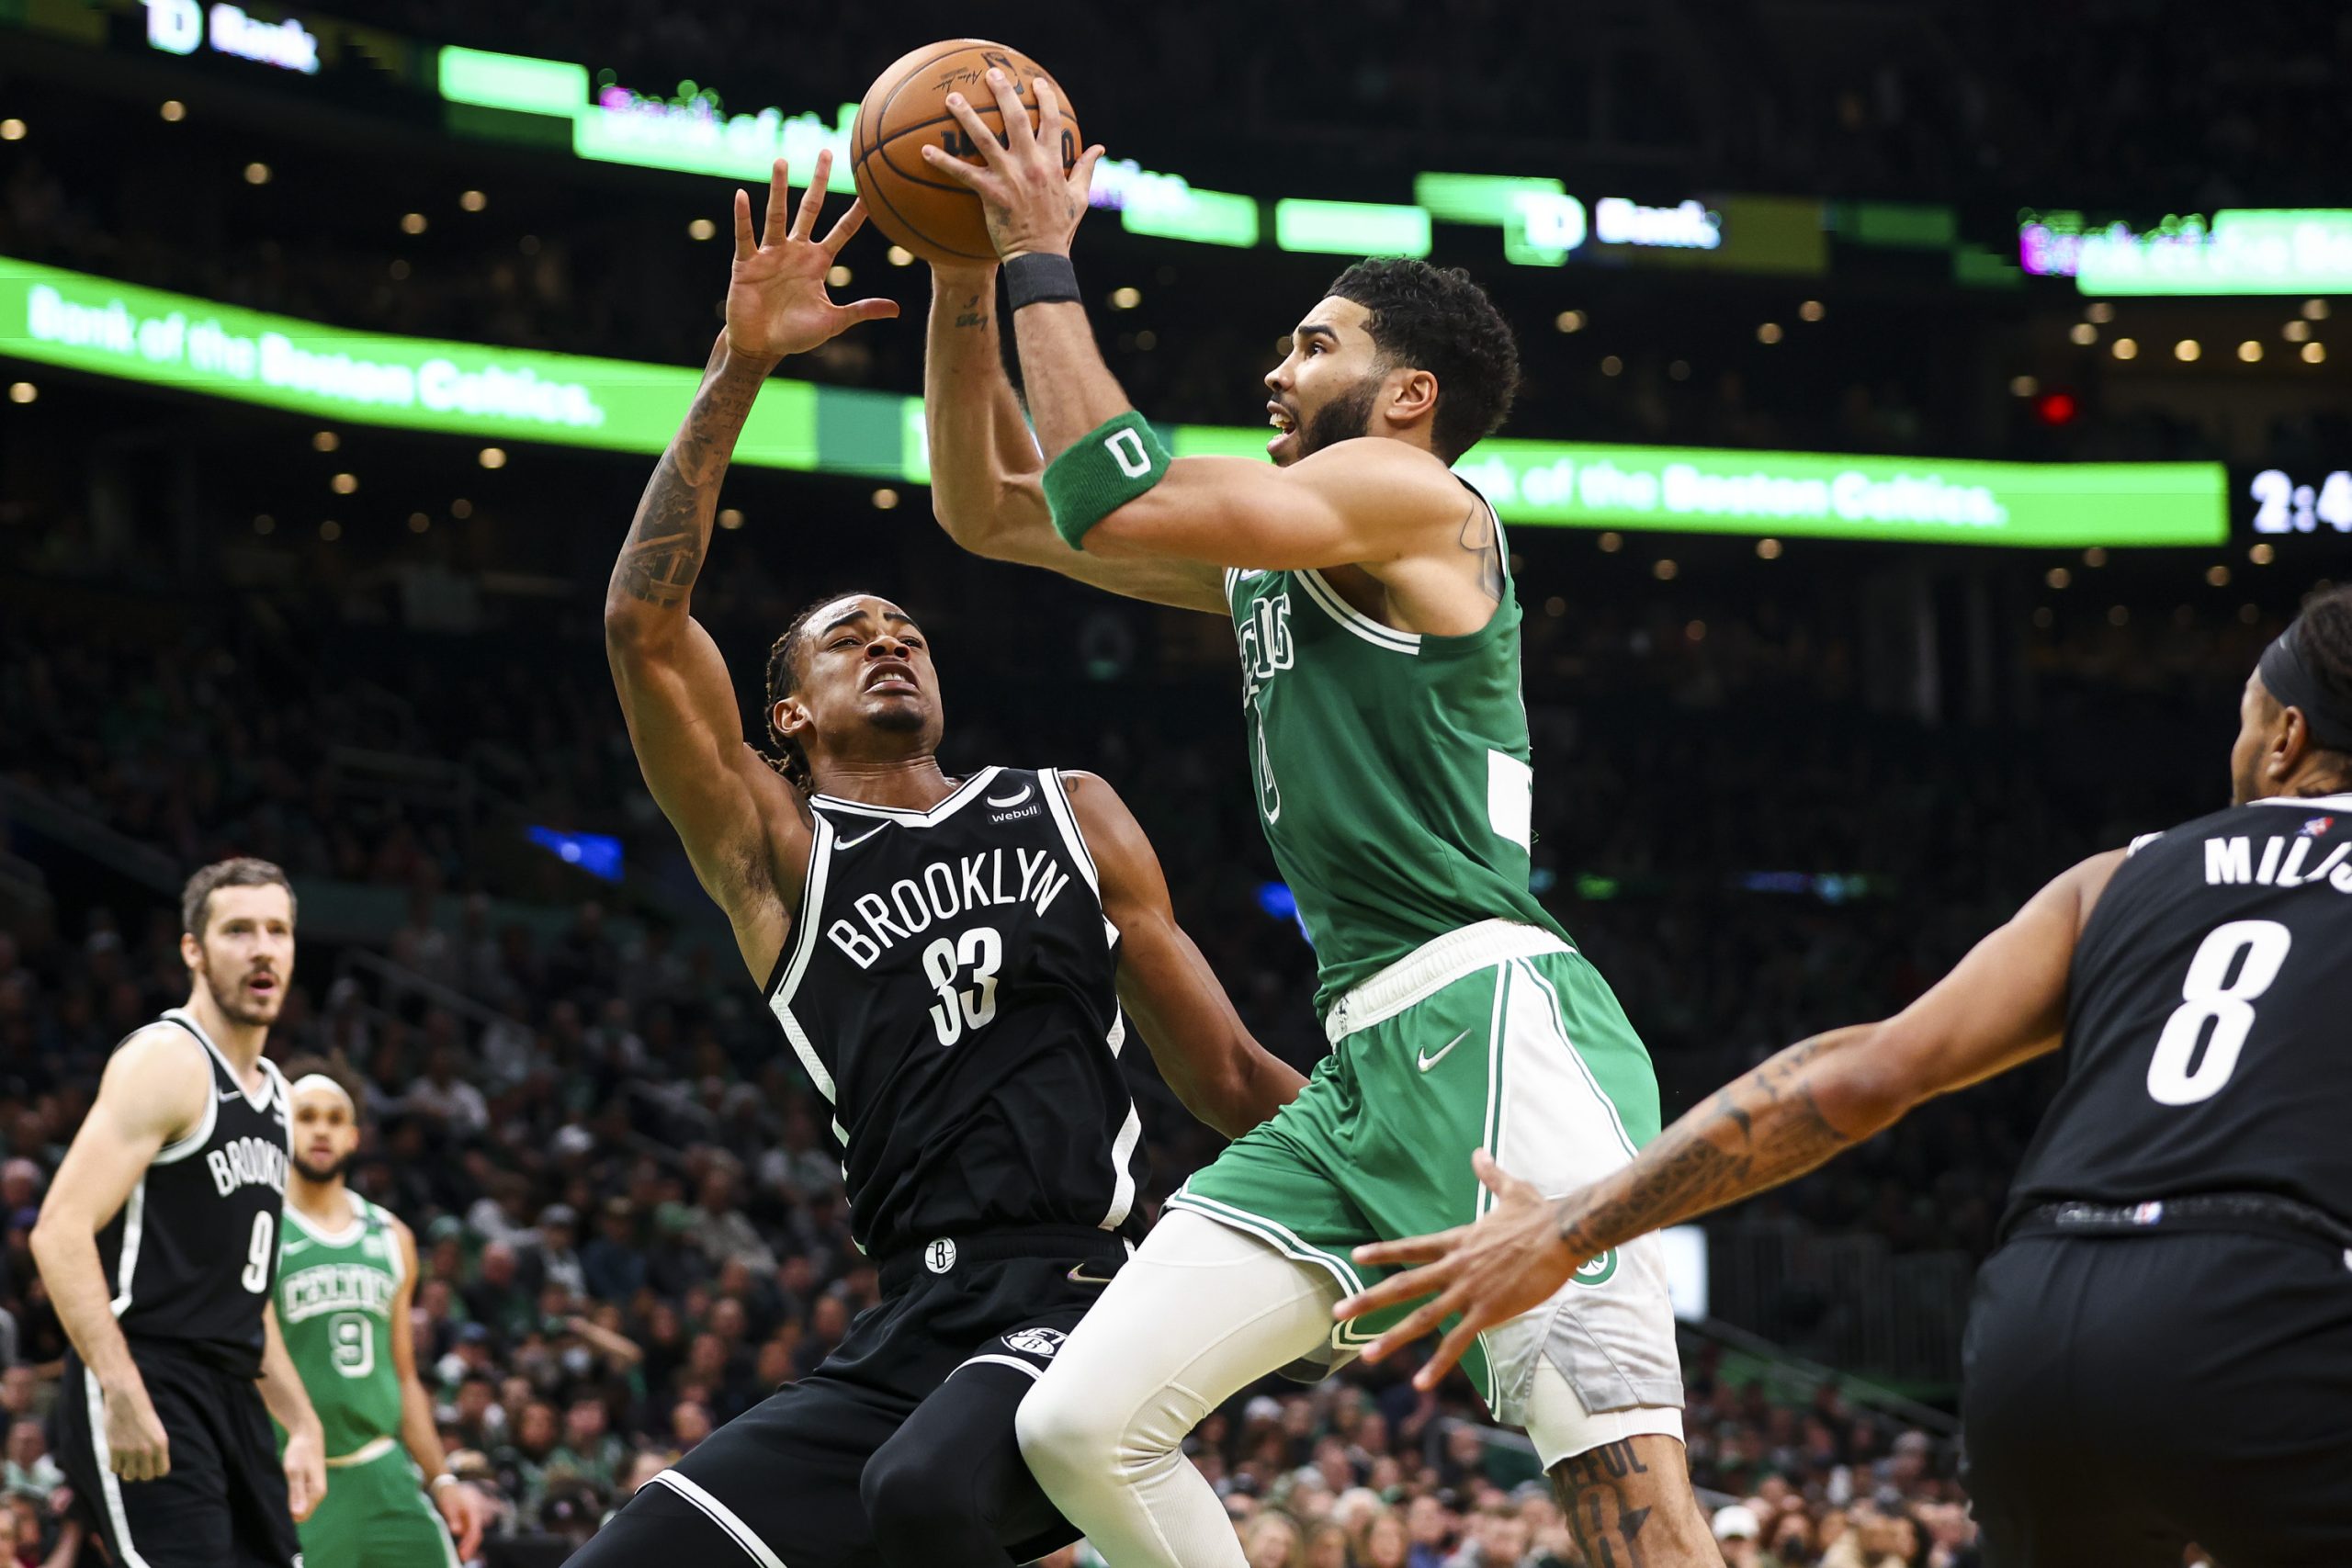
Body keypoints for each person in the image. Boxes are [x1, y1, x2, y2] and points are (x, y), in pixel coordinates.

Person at [918, 67, 1711, 1566]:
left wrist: (1040, 253)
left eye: (1315, 342)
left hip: (1498, 1045)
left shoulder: (1416, 499)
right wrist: (966, 276)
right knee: (1083, 1425)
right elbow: (989, 506)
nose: (1278, 369)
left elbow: (1112, 496)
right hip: (1355, 1081)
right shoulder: (1289, 551)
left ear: (1410, 394)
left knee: (1633, 1525)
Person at [580, 154, 1305, 1568]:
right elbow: (640, 627)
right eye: (851, 637)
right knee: (632, 1556)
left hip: (1083, 1284)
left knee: (925, 1492)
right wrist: (739, 362)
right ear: (784, 712)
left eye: (906, 626)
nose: (893, 639)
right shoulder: (775, 847)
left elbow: (1220, 1075)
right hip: (910, 1316)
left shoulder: (1070, 807)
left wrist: (1399, 1181)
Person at [1340, 585, 2352, 1565]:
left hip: (2043, 1319)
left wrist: (1571, 1226)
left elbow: (1863, 1073)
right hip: (2270, 1302)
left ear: (2286, 739)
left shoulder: (2118, 876)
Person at [28, 858, 327, 1568]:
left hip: (232, 1390)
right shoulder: (168, 1060)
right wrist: (121, 1386)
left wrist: (302, 1420)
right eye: (238, 930)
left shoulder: (280, 1095)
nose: (263, 948)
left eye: (278, 930)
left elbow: (247, 1295)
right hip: (150, 1368)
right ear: (193, 950)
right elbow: (59, 1228)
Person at [274, 1055, 492, 1566]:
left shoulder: (392, 1236)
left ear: (354, 1137)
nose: (320, 1130)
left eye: (334, 1119)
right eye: (306, 1116)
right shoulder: (259, 1229)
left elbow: (405, 1376)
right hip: (298, 1477)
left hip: (383, 1469)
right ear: (281, 1125)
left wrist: (441, 1480)